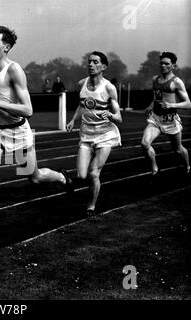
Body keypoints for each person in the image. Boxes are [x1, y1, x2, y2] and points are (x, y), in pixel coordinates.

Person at [0, 25, 73, 249]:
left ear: (6, 47)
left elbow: (28, 110)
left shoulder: (14, 70)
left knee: (34, 178)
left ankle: (62, 178)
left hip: (18, 133)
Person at [66, 51, 122, 216]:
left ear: (103, 67)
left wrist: (110, 115)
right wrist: (73, 120)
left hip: (105, 135)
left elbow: (119, 117)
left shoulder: (109, 88)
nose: (91, 65)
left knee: (93, 173)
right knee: (82, 175)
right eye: (89, 61)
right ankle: (67, 178)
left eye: (95, 62)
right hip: (86, 134)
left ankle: (91, 207)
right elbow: (82, 105)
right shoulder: (81, 84)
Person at [141, 52, 191, 176]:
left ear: (173, 66)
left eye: (167, 64)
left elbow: (188, 104)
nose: (163, 66)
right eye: (162, 63)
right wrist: (151, 105)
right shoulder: (155, 79)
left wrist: (172, 105)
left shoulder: (177, 82)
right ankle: (155, 169)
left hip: (171, 121)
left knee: (178, 149)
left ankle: (187, 166)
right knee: (145, 143)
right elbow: (157, 97)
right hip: (156, 119)